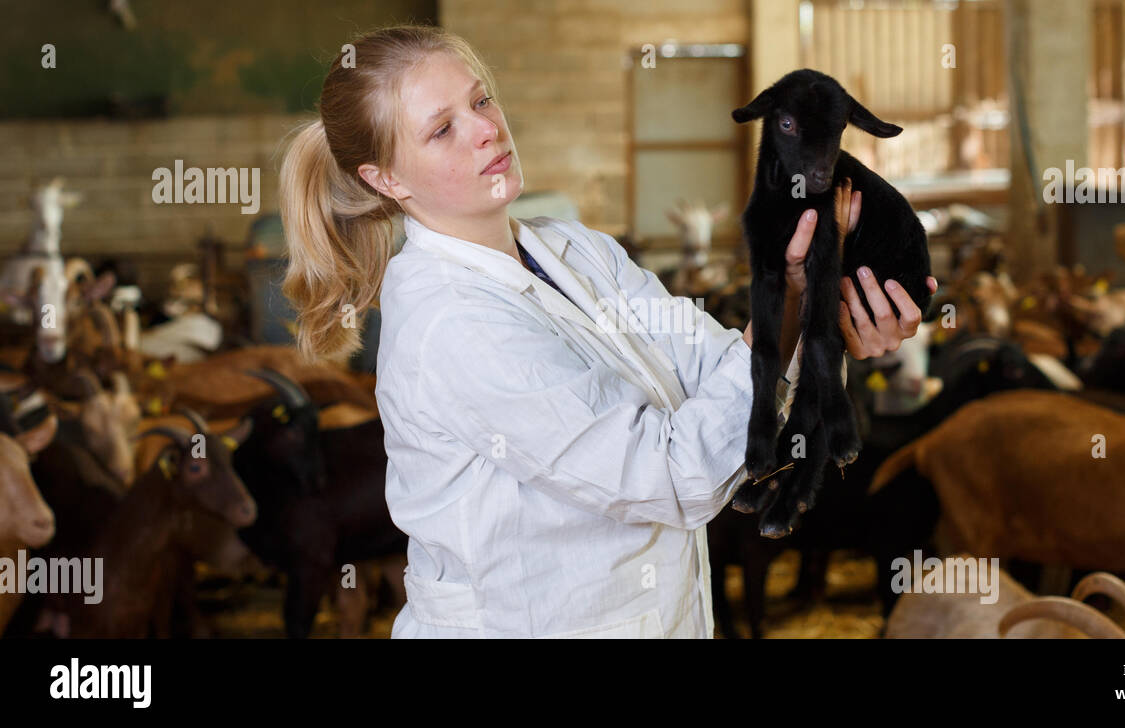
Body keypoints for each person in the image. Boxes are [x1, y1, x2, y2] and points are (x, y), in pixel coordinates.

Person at [278, 25, 936, 638]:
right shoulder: (452, 325)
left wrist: (822, 324)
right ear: (384, 178)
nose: (486, 129)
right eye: (443, 129)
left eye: (481, 99)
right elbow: (671, 475)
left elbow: (715, 367)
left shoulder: (573, 250)